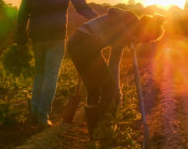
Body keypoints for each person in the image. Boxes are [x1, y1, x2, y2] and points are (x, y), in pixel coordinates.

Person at [16, 0, 97, 127]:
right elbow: (81, 8)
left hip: (36, 34)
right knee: (51, 75)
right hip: (56, 34)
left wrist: (20, 33)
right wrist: (99, 21)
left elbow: (23, 10)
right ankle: (43, 116)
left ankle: (35, 111)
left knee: (39, 73)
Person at [67, 7, 166, 136]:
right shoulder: (130, 17)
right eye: (146, 39)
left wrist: (118, 91)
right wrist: (126, 31)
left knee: (94, 89)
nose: (143, 42)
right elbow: (112, 10)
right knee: (108, 87)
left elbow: (113, 65)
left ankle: (95, 133)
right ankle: (104, 127)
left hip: (76, 43)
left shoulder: (124, 39)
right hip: (85, 41)